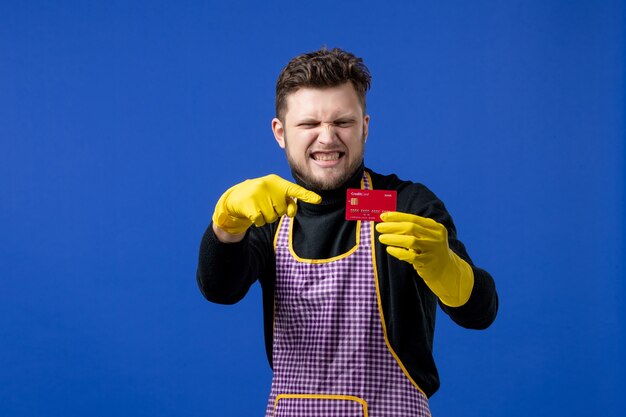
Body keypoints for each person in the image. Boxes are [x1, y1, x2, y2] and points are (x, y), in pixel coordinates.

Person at [197, 47, 498, 417]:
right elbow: (220, 289)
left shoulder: (406, 203)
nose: (327, 138)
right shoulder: (269, 212)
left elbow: (481, 313)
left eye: (342, 122)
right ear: (280, 132)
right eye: (309, 125)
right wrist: (225, 227)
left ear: (365, 126)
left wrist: (448, 269)